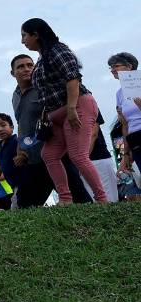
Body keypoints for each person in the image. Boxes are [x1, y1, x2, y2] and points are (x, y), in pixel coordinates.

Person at [20, 18, 108, 203]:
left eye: (24, 35)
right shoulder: (42, 57)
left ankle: (102, 198)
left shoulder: (58, 50)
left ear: (36, 34)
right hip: (55, 113)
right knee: (49, 154)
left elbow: (73, 77)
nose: (23, 41)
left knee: (78, 156)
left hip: (76, 106)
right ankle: (65, 199)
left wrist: (71, 108)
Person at [10, 53, 89, 207]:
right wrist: (20, 150)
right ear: (13, 73)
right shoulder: (15, 95)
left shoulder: (44, 88)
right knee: (25, 206)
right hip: (33, 159)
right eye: (21, 67)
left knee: (81, 201)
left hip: (57, 153)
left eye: (30, 65)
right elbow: (21, 124)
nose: (26, 69)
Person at [107, 53, 141, 179]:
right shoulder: (120, 94)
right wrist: (126, 154)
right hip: (135, 139)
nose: (112, 70)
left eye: (116, 66)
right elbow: (125, 125)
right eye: (111, 67)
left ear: (129, 66)